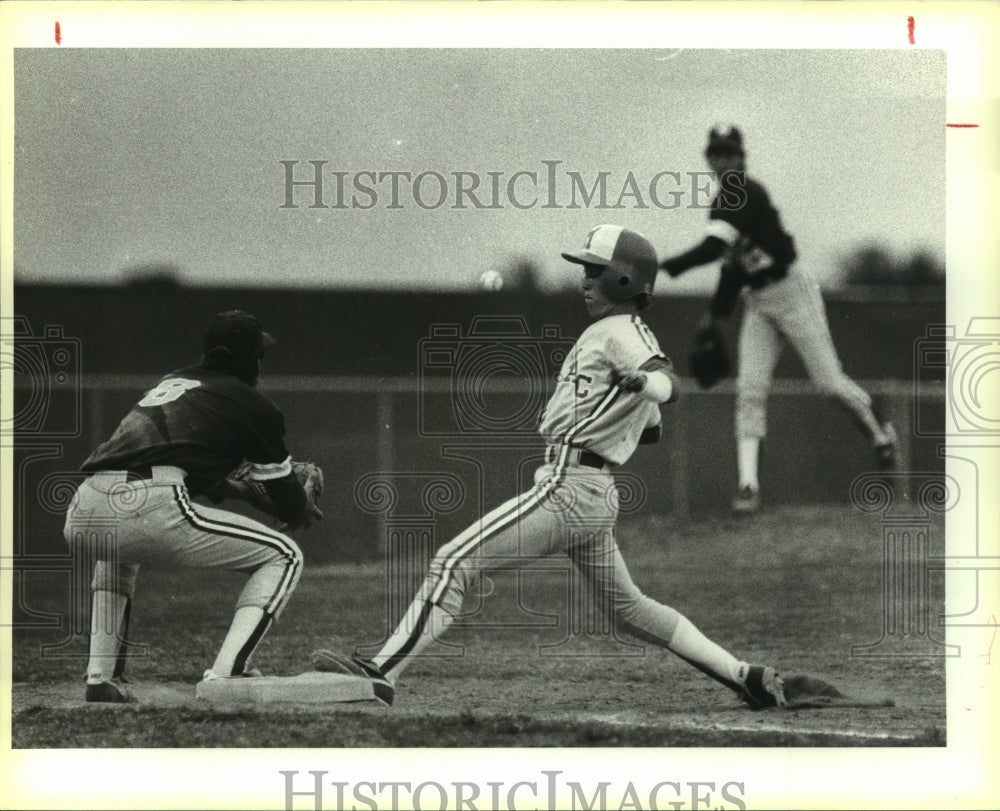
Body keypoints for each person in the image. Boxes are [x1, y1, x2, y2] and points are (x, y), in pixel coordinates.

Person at [313, 224, 787, 710]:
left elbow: (668, 383)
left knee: (454, 562)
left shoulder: (623, 334)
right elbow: (652, 430)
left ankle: (382, 674)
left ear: (623, 280)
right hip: (593, 493)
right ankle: (743, 675)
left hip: (570, 487)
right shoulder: (614, 334)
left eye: (594, 271)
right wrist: (622, 402)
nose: (583, 280)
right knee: (631, 610)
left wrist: (643, 385)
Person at [63, 310, 318, 702]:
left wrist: (246, 492)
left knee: (116, 552)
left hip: (85, 504)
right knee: (284, 555)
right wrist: (297, 506)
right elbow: (285, 497)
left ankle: (100, 677)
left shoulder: (174, 381)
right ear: (250, 359)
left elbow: (178, 467)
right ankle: (228, 673)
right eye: (259, 356)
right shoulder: (253, 403)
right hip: (150, 502)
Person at [658, 125, 898, 514]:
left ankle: (880, 437)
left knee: (829, 384)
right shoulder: (721, 204)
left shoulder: (749, 194)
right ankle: (748, 486)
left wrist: (667, 265)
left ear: (741, 157)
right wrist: (714, 318)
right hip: (759, 302)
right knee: (750, 391)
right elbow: (732, 269)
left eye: (727, 153)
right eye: (714, 154)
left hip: (792, 292)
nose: (720, 160)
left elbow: (714, 248)